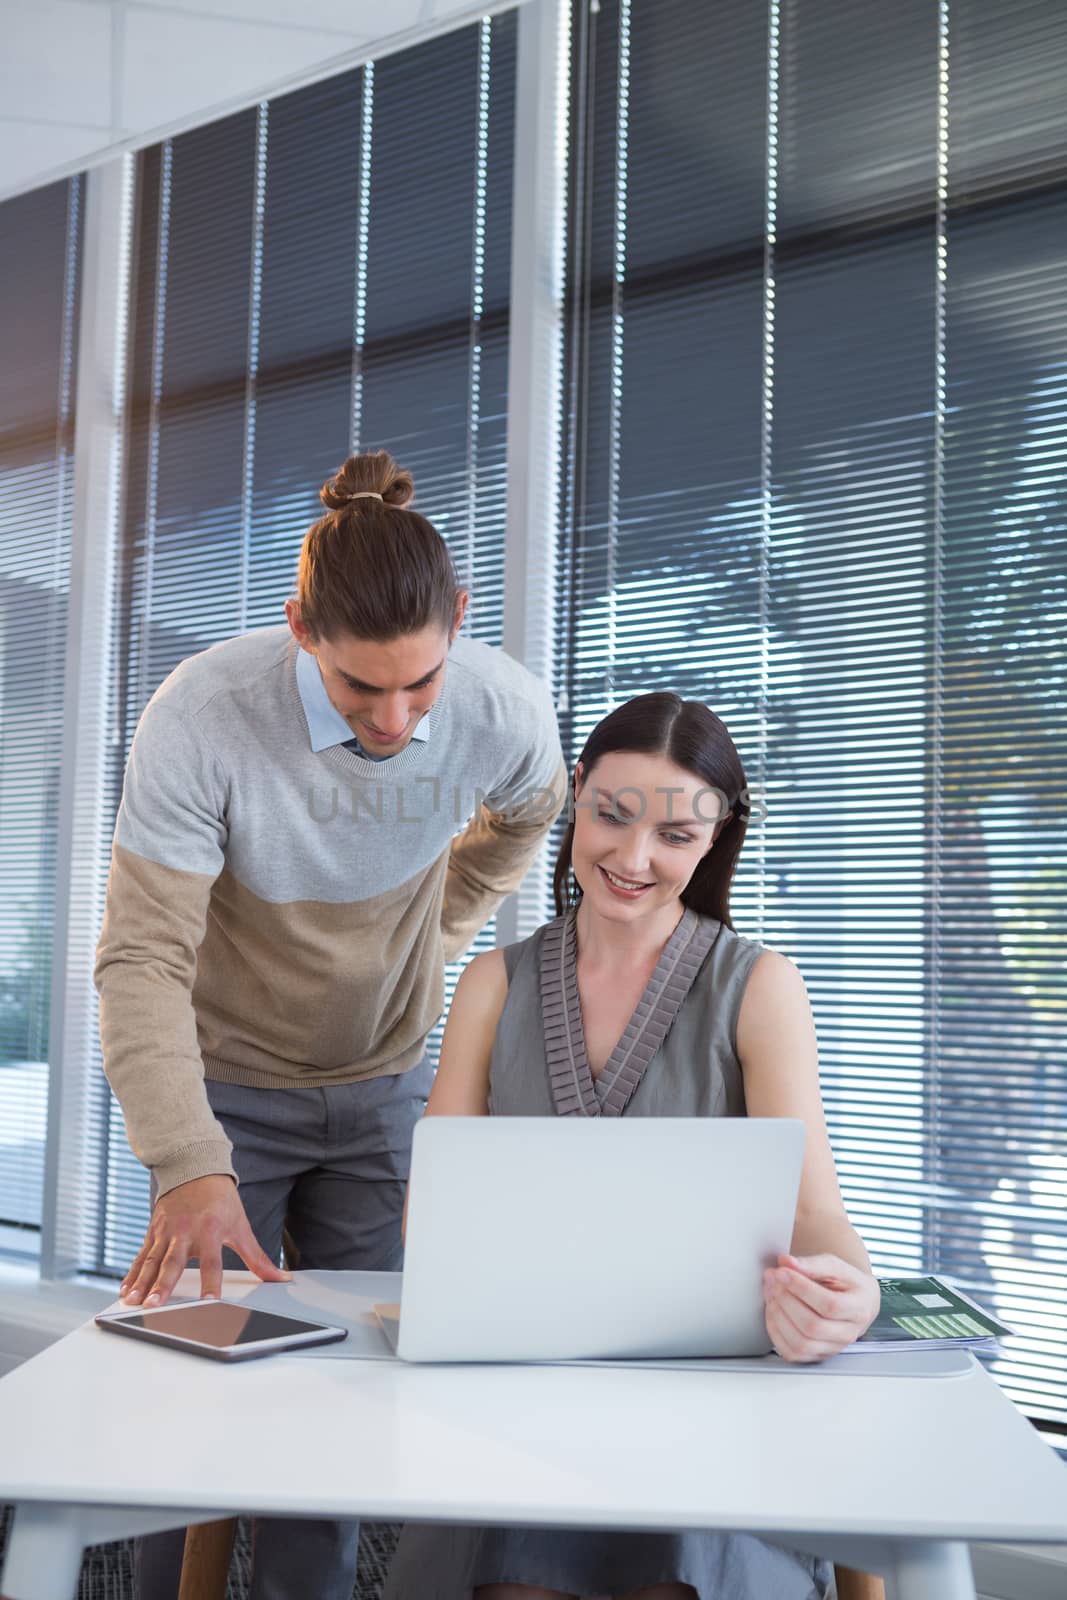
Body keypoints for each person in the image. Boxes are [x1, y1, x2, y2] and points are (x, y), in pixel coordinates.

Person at [94, 449, 565, 1600]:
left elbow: (528, 815)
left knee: (351, 1398)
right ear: (304, 627)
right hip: (228, 1092)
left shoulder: (500, 707)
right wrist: (186, 1162)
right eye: (362, 688)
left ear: (456, 622)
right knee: (189, 1395)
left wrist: (434, 927)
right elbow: (140, 958)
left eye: (420, 683)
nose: (396, 719)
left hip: (384, 1084)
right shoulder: (203, 716)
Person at [384, 691, 881, 1600]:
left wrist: (855, 1292)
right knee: (514, 1580)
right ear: (577, 792)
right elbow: (434, 1219)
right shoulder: (492, 984)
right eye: (611, 816)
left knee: (674, 1575)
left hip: (706, 1396)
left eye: (675, 838)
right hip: (523, 1386)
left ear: (715, 838)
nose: (633, 859)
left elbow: (812, 1209)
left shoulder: (759, 986)